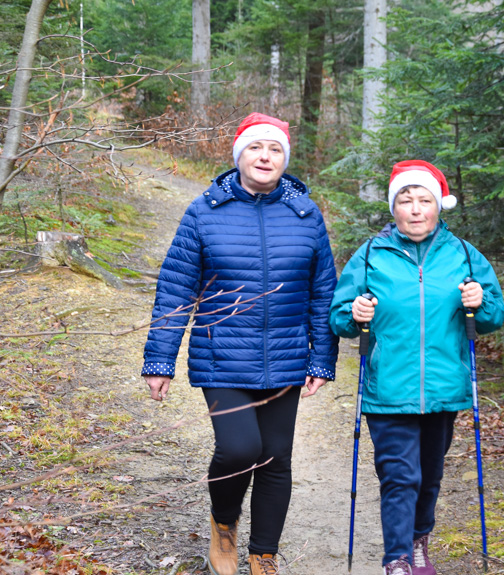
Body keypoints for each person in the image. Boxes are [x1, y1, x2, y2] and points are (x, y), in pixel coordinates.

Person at [140, 113, 338, 575]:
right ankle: (224, 527)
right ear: (239, 155)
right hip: (222, 353)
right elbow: (175, 289)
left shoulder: (306, 216)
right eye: (255, 148)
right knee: (239, 449)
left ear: (284, 160)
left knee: (275, 457)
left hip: (287, 355)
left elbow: (323, 293)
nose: (265, 156)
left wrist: (322, 358)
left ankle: (263, 554)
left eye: (274, 150)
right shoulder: (204, 211)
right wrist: (159, 359)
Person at [329, 160, 504, 575]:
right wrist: (354, 312)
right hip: (388, 388)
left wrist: (481, 303)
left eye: (423, 200)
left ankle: (418, 539)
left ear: (438, 206)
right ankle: (397, 560)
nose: (414, 208)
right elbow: (339, 319)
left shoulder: (463, 254)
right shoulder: (371, 255)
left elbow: (494, 317)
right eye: (405, 200)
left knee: (428, 477)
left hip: (444, 389)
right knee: (399, 476)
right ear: (393, 208)